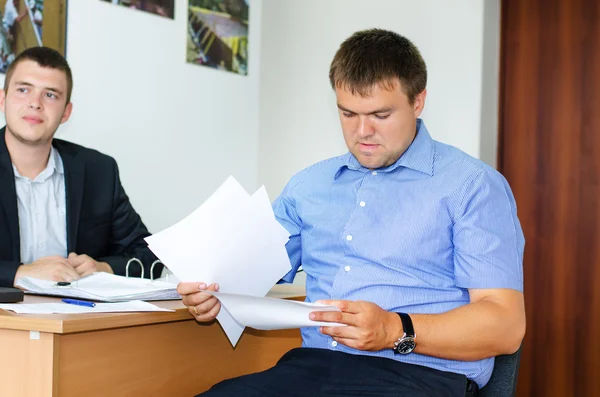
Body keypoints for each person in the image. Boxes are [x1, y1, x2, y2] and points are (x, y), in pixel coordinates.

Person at [178, 28, 525, 397]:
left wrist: (395, 329)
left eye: (380, 114)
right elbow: (246, 272)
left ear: (418, 101)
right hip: (310, 371)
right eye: (348, 113)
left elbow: (505, 325)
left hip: (417, 376)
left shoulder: (473, 186)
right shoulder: (309, 185)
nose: (363, 132)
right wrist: (209, 289)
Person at [0, 46, 161, 288]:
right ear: (3, 99)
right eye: (23, 90)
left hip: (76, 321)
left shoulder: (99, 171)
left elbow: (151, 257)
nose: (35, 103)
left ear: (66, 112)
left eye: (50, 95)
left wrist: (102, 268)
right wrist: (20, 273)